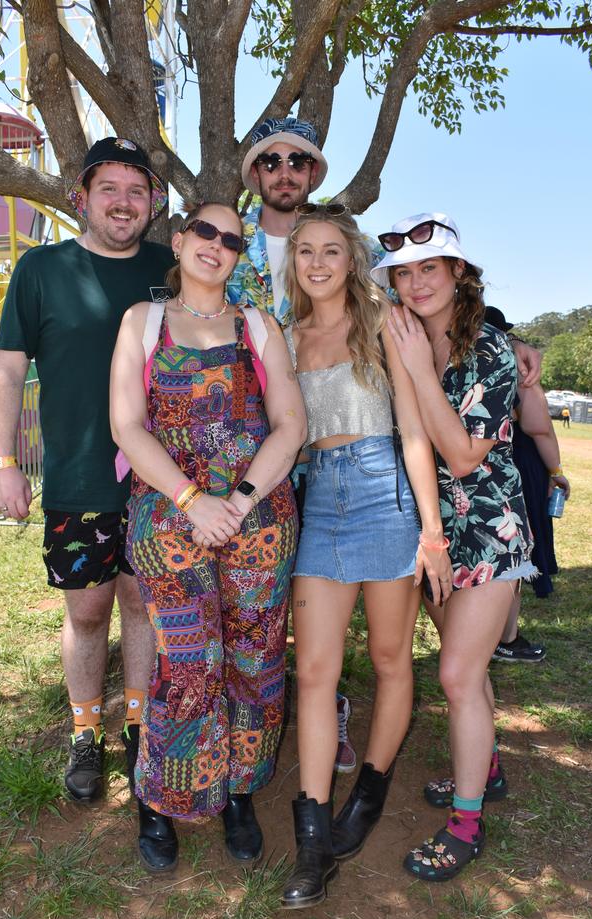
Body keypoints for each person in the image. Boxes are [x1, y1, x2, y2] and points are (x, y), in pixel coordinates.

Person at [110, 202, 306, 873]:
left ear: (238, 254)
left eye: (231, 238)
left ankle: (239, 793)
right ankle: (161, 799)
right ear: (180, 238)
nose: (216, 245)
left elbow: (290, 424)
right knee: (188, 664)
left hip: (258, 522)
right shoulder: (143, 322)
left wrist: (241, 500)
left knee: (255, 659)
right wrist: (194, 501)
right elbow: (127, 428)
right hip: (170, 521)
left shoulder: (258, 326)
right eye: (205, 232)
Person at [0, 137, 173, 804]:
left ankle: (140, 728)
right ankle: (85, 735)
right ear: (83, 198)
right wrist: (4, 461)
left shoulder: (173, 268)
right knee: (89, 612)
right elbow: (7, 370)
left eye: (136, 189)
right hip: (76, 479)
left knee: (143, 606)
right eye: (109, 189)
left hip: (161, 483)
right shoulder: (41, 269)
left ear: (153, 204)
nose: (123, 202)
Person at [279, 204, 452, 908]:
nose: (318, 262)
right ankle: (312, 837)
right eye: (305, 252)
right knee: (314, 669)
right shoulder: (285, 337)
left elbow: (414, 431)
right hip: (320, 500)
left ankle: (372, 787)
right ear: (293, 263)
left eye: (331, 250)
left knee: (389, 660)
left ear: (350, 259)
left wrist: (430, 530)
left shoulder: (384, 323)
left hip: (386, 494)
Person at [376, 213, 536, 880]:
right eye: (404, 273)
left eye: (429, 269)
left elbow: (466, 456)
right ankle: (487, 769)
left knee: (457, 675)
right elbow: (412, 433)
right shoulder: (403, 333)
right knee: (461, 663)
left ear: (458, 274)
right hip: (433, 530)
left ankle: (466, 826)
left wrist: (416, 366)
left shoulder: (493, 349)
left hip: (490, 527)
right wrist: (428, 534)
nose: (416, 283)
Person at [227, 116, 360, 772]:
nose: (285, 171)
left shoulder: (333, 244)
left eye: (298, 162)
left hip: (328, 451)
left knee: (321, 589)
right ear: (256, 173)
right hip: (244, 451)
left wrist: (505, 340)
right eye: (271, 160)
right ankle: (247, 717)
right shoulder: (225, 245)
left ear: (312, 175)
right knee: (252, 598)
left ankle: (324, 710)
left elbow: (397, 310)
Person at [485, 308, 571, 663]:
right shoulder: (517, 370)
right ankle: (506, 637)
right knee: (516, 556)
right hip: (519, 464)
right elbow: (540, 428)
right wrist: (556, 471)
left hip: (490, 462)